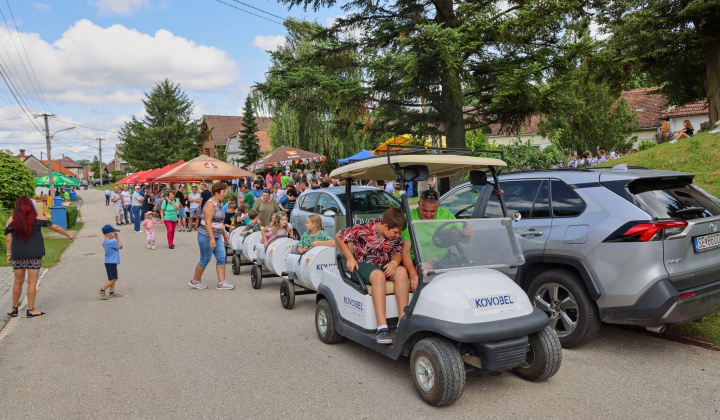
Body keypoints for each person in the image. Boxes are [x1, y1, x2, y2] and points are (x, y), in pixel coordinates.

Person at [336, 207, 408, 344]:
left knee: (401, 272)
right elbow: (339, 237)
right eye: (396, 232)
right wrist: (349, 258)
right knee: (378, 276)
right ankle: (382, 327)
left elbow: (398, 252)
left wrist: (394, 263)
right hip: (363, 267)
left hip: (384, 265)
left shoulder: (394, 236)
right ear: (385, 226)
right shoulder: (363, 229)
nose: (398, 235)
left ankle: (402, 323)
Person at [4, 196, 76, 317]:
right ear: (30, 205)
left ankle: (14, 309)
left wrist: (9, 254)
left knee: (18, 282)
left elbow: (8, 238)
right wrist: (68, 235)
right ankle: (31, 309)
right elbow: (55, 228)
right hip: (34, 254)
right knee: (32, 282)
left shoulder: (11, 219)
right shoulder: (37, 217)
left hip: (18, 254)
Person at [401, 190, 472, 292]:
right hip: (418, 259)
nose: (429, 215)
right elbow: (406, 252)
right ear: (418, 204)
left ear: (438, 206)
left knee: (466, 271)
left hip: (443, 257)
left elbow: (464, 240)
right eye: (425, 211)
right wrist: (412, 274)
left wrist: (468, 233)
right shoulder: (408, 218)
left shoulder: (446, 214)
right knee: (425, 272)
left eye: (433, 211)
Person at [189, 182, 234, 290]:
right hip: (206, 236)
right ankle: (195, 281)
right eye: (223, 192)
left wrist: (223, 234)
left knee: (221, 257)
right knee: (205, 258)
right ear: (216, 192)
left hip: (217, 236)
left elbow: (218, 222)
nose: (225, 193)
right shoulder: (210, 204)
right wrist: (212, 239)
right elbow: (208, 223)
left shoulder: (219, 203)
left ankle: (221, 283)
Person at [99, 224, 123, 300]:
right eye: (114, 232)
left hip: (109, 262)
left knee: (112, 278)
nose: (115, 234)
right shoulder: (111, 242)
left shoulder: (105, 242)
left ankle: (111, 292)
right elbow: (121, 246)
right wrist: (117, 238)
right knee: (113, 279)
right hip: (111, 262)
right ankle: (102, 290)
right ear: (110, 233)